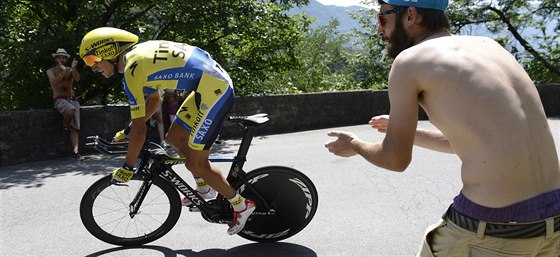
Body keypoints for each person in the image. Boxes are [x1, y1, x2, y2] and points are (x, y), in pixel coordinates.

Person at [325, 0, 560, 256]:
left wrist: (355, 145)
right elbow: (469, 141)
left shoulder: (409, 61)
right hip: (555, 219)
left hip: (494, 227)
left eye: (382, 19)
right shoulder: (490, 46)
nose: (379, 30)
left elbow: (394, 159)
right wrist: (407, 132)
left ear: (410, 16)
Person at [79, 27, 256, 235]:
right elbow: (154, 101)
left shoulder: (132, 70)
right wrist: (129, 128)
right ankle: (204, 188)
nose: (93, 67)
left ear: (108, 51)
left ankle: (241, 204)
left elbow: (140, 130)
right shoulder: (136, 59)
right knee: (175, 137)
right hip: (206, 86)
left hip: (215, 90)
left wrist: (128, 167)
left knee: (196, 162)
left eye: (92, 60)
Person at [47, 48, 83, 159]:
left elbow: (77, 79)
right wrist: (62, 72)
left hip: (72, 98)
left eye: (64, 57)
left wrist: (73, 68)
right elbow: (54, 83)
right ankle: (65, 125)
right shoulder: (51, 71)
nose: (62, 59)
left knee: (75, 127)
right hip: (59, 99)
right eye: (60, 57)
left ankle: (75, 152)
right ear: (56, 58)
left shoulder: (70, 69)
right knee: (70, 110)